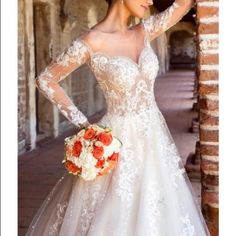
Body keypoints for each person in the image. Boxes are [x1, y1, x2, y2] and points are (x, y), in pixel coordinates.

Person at [26, 0, 211, 235]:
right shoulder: (92, 41)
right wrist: (85, 127)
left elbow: (184, 4)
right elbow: (45, 79)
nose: (151, 1)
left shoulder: (145, 30)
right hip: (116, 141)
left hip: (154, 138)